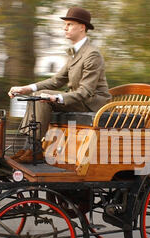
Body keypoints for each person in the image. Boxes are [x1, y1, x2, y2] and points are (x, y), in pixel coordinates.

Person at [8, 7, 112, 163]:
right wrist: (26, 88)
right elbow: (56, 80)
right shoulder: (75, 53)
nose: (65, 28)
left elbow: (85, 91)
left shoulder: (92, 54)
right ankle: (30, 147)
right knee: (36, 95)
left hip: (91, 104)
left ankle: (33, 149)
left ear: (82, 28)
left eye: (69, 24)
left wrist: (56, 97)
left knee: (41, 97)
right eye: (66, 24)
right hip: (78, 100)